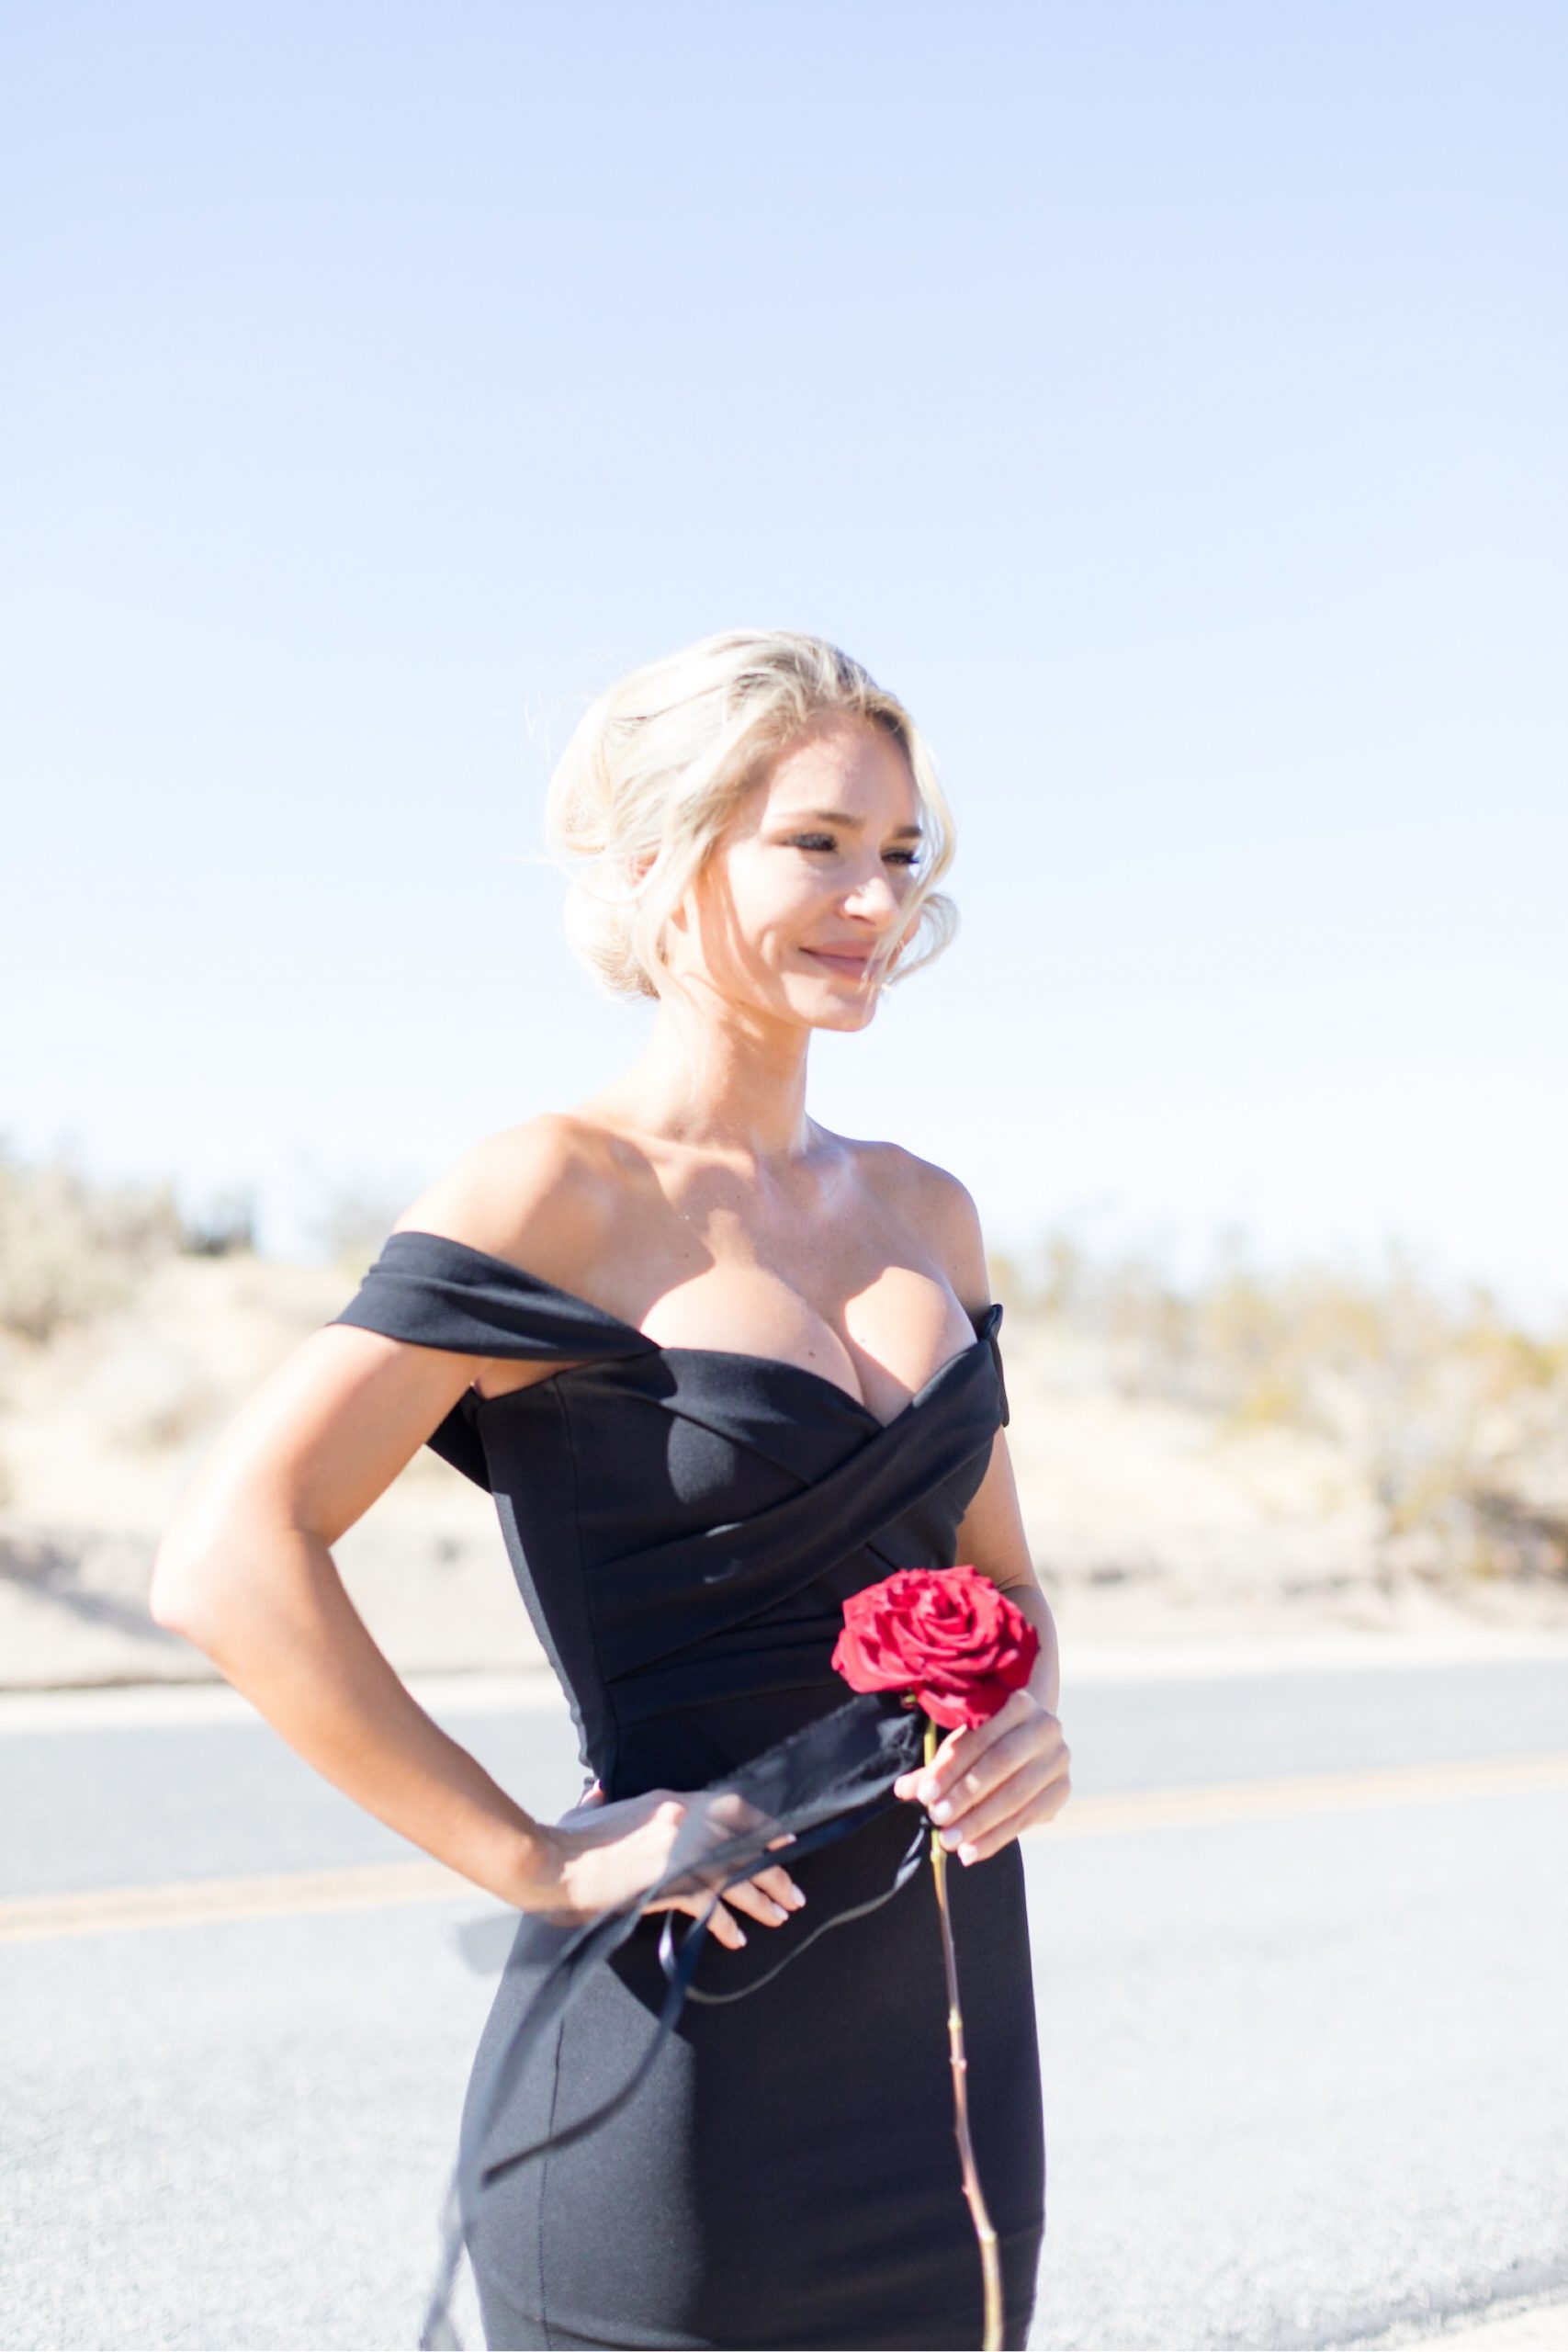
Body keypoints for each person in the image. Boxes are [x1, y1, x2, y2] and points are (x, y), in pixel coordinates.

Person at [151, 628, 1072, 2351]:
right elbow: (224, 1559)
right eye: (814, 843)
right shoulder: (551, 1193)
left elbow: (1001, 1579)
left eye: (898, 856)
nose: (872, 902)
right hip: (674, 2073)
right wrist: (529, 1857)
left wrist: (1032, 1709)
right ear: (659, 861)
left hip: (948, 2052)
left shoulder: (928, 1214)